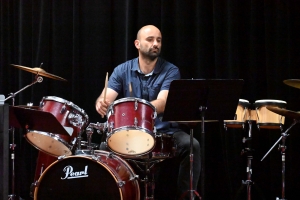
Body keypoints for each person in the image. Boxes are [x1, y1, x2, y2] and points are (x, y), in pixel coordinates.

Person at [95, 25, 201, 199]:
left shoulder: (171, 70)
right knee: (105, 147)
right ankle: (114, 194)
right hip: (131, 132)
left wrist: (141, 108)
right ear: (137, 44)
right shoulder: (122, 70)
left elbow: (162, 102)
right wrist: (101, 104)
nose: (155, 44)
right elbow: (106, 97)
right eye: (150, 39)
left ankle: (186, 196)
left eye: (158, 40)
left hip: (165, 132)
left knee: (192, 145)